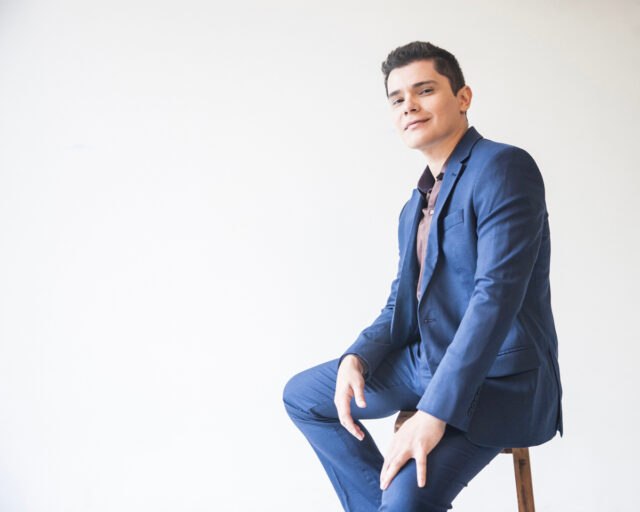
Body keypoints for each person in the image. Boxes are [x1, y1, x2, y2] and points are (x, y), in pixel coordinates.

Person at [282, 41, 563, 512]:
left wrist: (434, 411)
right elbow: (402, 302)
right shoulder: (414, 205)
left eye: (425, 90)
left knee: (405, 504)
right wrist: (358, 356)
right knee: (304, 396)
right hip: (425, 361)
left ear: (463, 97)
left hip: (494, 378)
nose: (408, 105)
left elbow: (495, 298)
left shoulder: (504, 167)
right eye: (396, 98)